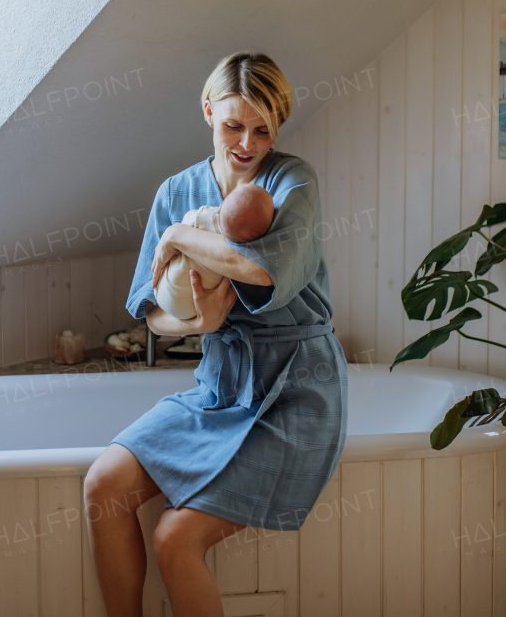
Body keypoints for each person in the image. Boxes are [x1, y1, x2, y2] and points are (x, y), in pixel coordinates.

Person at [83, 52, 348, 617]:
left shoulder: (291, 181)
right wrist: (194, 325)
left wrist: (180, 235)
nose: (247, 143)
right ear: (208, 110)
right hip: (219, 384)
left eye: (262, 129)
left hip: (294, 390)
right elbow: (151, 314)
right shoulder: (175, 190)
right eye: (234, 125)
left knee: (174, 539)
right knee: (104, 485)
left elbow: (259, 269)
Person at [153, 183, 275, 321]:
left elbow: (187, 220)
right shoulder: (242, 253)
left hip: (165, 293)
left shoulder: (203, 216)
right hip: (192, 309)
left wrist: (176, 233)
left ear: (220, 208)